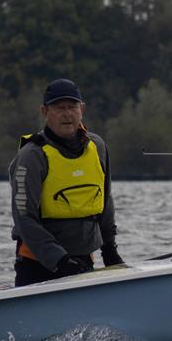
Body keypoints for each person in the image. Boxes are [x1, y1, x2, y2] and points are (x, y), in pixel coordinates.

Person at [9, 78, 124, 286]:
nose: (67, 114)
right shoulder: (31, 156)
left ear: (82, 109)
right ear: (45, 112)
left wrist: (110, 249)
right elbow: (24, 218)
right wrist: (59, 260)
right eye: (59, 108)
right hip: (37, 266)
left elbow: (104, 201)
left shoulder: (97, 146)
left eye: (72, 107)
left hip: (82, 263)